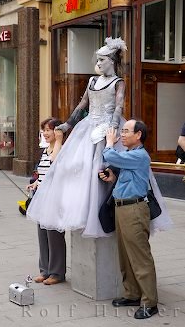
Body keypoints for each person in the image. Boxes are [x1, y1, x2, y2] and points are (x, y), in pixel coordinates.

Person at [27, 37, 127, 237]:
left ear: (112, 61)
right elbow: (82, 105)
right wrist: (67, 124)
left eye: (102, 60)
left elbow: (119, 105)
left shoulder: (118, 82)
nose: (98, 63)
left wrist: (114, 127)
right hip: (88, 126)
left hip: (106, 128)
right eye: (97, 60)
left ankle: (102, 208)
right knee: (76, 168)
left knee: (100, 167)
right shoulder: (92, 81)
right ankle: (76, 208)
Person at [102, 120, 158, 319]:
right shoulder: (128, 155)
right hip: (123, 208)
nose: (122, 134)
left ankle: (149, 303)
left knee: (140, 256)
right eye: (122, 131)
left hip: (134, 209)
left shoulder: (140, 155)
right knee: (125, 255)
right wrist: (113, 179)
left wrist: (109, 142)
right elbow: (128, 178)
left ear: (139, 135)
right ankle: (132, 294)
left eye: (126, 131)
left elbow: (109, 155)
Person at [26, 118, 66, 285]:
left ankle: (57, 273)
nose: (45, 133)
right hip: (42, 197)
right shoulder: (45, 149)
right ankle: (45, 270)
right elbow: (43, 173)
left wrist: (59, 140)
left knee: (54, 235)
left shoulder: (61, 149)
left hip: (55, 198)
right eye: (44, 130)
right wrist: (35, 183)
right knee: (42, 234)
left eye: (49, 130)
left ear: (57, 132)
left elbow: (54, 163)